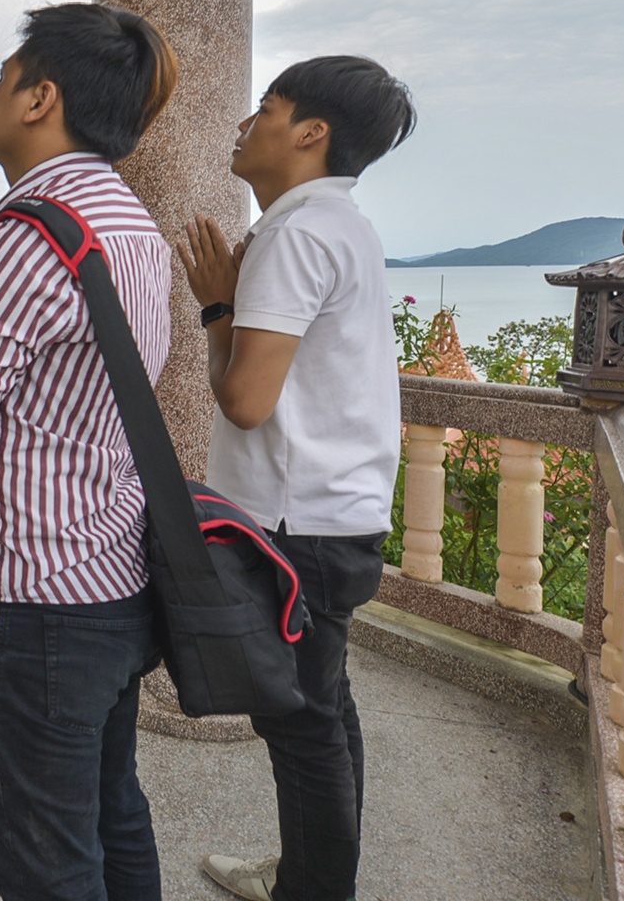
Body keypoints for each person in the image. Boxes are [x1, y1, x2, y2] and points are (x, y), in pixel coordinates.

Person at [0, 2, 180, 901]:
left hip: (32, 604)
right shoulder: (131, 225)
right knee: (110, 814)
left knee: (44, 860)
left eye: (3, 76)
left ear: (39, 97)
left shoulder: (23, 241)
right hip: (113, 576)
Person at [175, 56, 416, 901]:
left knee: (301, 726)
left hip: (294, 526)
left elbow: (244, 400)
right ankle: (314, 871)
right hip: (336, 517)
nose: (248, 123)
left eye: (268, 107)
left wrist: (216, 307)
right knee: (326, 709)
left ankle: (314, 890)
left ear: (311, 132)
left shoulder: (292, 233)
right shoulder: (342, 224)